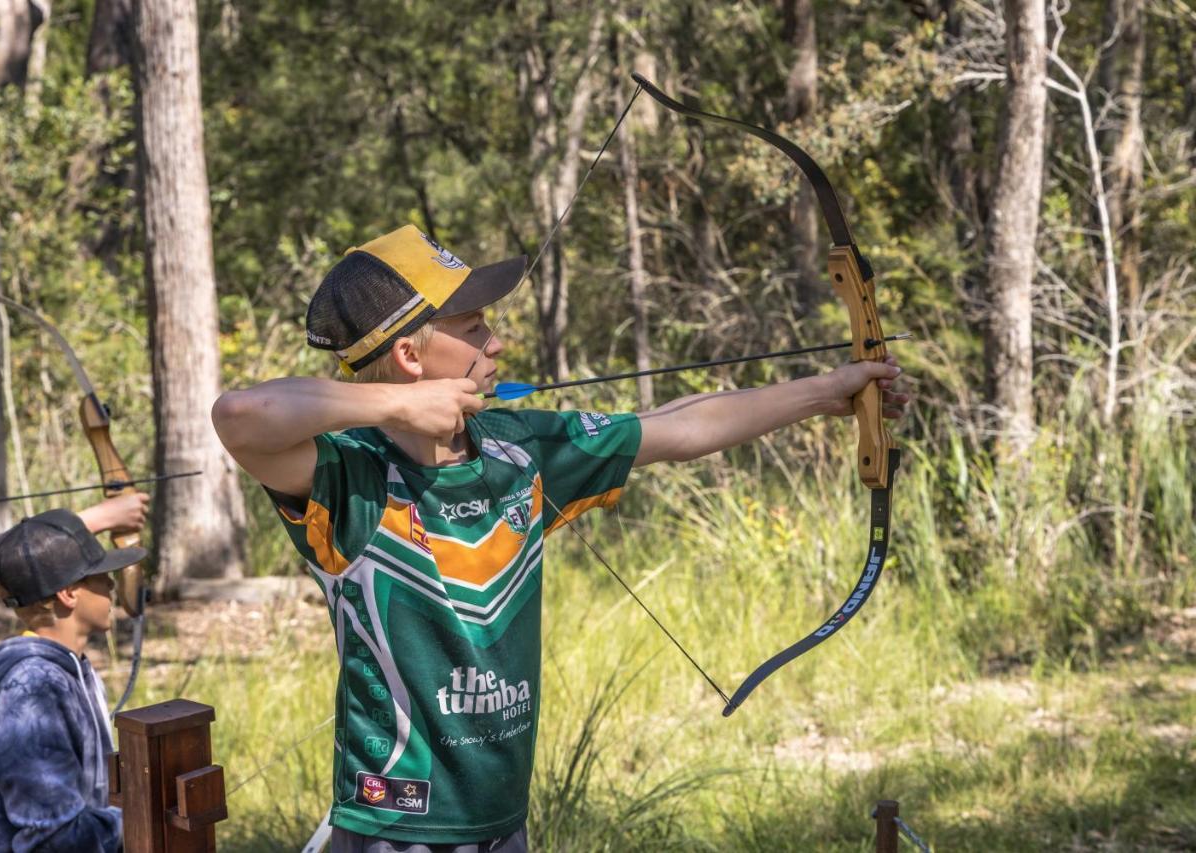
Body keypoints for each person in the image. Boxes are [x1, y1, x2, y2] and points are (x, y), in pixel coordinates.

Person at [211, 224, 910, 852]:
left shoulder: (519, 449)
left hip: (502, 821)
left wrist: (834, 391)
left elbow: (680, 427)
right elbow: (243, 414)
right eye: (475, 327)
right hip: (398, 827)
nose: (497, 344)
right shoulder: (350, 477)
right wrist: (397, 405)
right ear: (408, 356)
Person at [0, 493, 145, 853]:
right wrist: (147, 825)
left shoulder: (70, 668)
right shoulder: (33, 691)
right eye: (101, 576)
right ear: (68, 592)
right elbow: (51, 835)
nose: (113, 586)